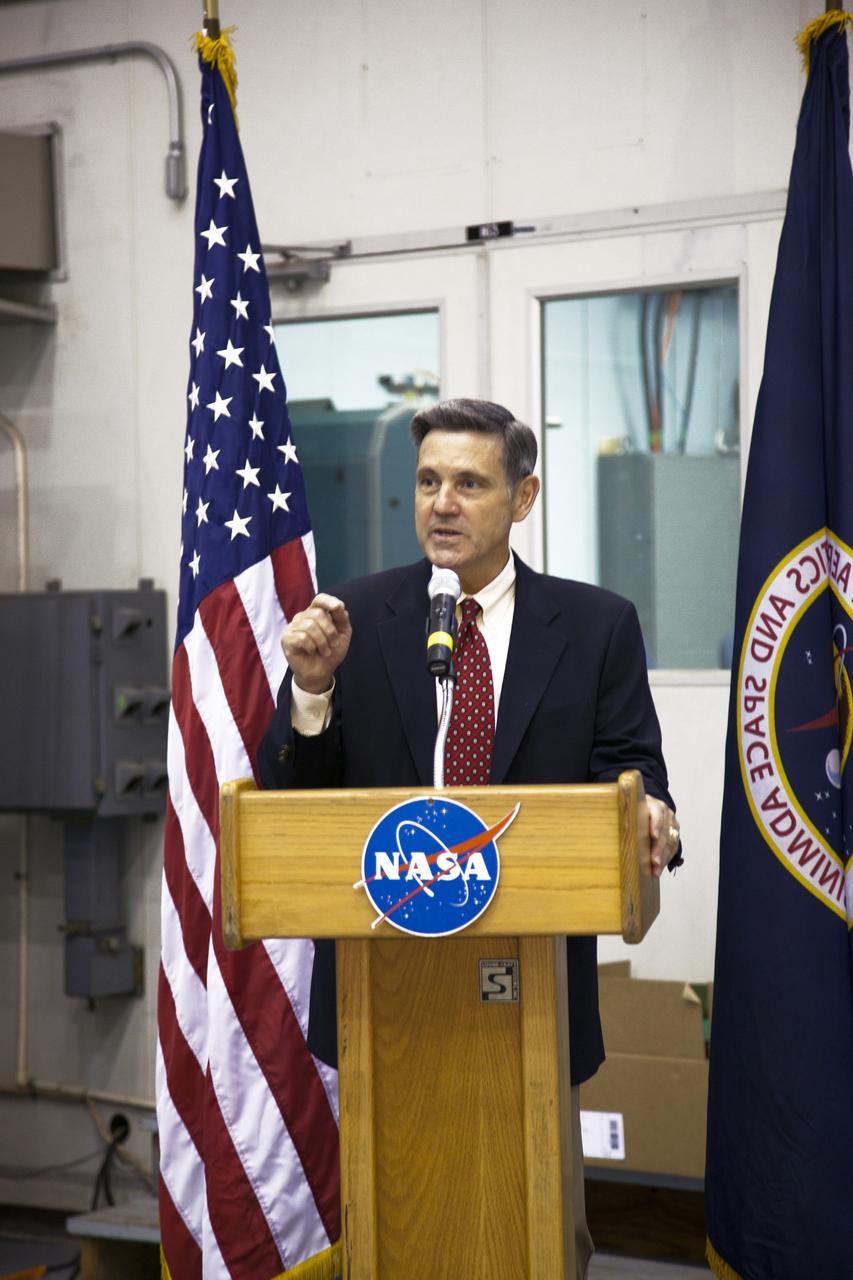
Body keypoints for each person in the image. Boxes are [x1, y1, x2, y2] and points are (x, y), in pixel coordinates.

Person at [257, 397, 681, 1279]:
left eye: (469, 483)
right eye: (426, 482)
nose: (441, 503)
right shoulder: (354, 619)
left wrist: (646, 812)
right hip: (385, 993)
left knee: (529, 1234)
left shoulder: (596, 624)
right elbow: (293, 803)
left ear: (522, 498)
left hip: (531, 993)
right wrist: (309, 692)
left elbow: (634, 769)